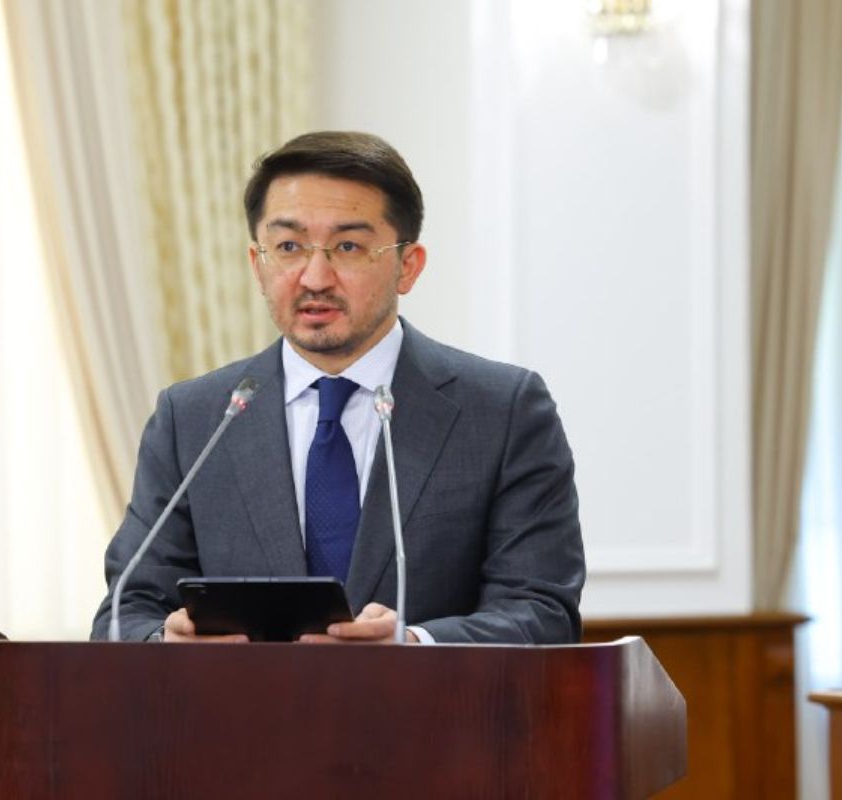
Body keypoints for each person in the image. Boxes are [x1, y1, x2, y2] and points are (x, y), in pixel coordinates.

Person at [91, 131, 584, 644]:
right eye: (288, 247)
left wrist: (414, 646)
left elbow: (542, 611)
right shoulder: (194, 418)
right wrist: (166, 642)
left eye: (348, 246)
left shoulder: (503, 411)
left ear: (408, 266)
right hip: (242, 700)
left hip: (429, 698)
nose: (314, 278)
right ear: (258, 264)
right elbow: (126, 613)